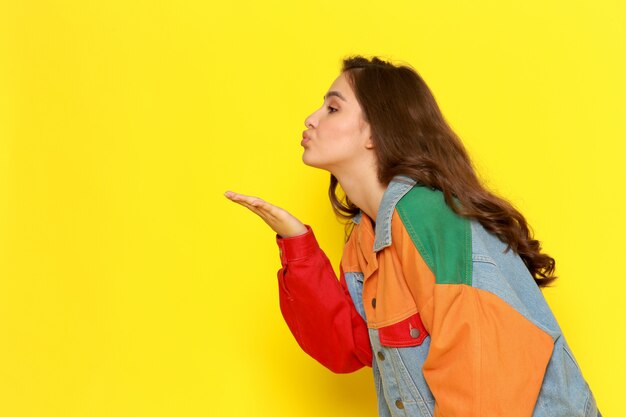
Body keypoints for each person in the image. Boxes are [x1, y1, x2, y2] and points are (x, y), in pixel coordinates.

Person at [224, 55, 601, 417]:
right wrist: (297, 247)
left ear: (376, 132)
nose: (311, 119)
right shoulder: (365, 234)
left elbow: (483, 376)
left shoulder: (428, 216)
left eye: (332, 109)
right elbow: (345, 347)